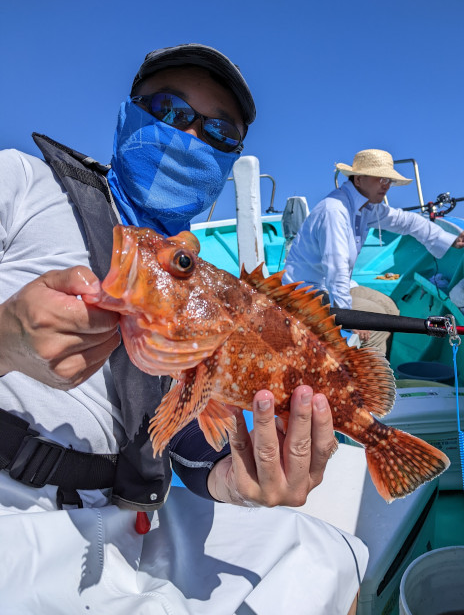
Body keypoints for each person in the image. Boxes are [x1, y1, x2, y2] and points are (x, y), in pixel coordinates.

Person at [0, 44, 367, 615]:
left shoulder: (199, 285)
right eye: (169, 110)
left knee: (333, 558)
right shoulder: (22, 182)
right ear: (127, 114)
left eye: (219, 132)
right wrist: (3, 338)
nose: (190, 136)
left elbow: (184, 427)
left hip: (130, 514)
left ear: (229, 161)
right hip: (13, 508)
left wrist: (236, 480)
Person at [283, 148, 464, 354]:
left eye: (389, 180)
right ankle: (369, 374)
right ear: (358, 179)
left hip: (332, 287)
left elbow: (406, 221)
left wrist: (449, 239)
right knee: (375, 325)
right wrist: (347, 319)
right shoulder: (335, 211)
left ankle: (382, 365)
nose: (386, 185)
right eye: (381, 179)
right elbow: (336, 269)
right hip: (306, 293)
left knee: (390, 309)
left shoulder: (366, 208)